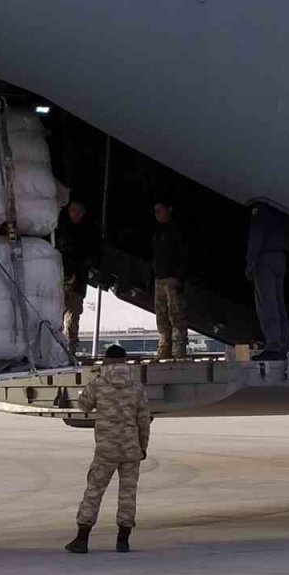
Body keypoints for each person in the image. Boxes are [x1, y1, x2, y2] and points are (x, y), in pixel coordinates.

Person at [66, 345, 151, 555]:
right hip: (131, 448)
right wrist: (142, 447)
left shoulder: (98, 383)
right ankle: (123, 541)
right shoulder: (136, 387)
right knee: (128, 494)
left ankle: (82, 539)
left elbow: (84, 406)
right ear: (124, 361)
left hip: (106, 449)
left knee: (94, 491)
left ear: (107, 361)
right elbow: (144, 420)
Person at [245, 202, 289, 361]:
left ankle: (273, 345)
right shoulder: (282, 207)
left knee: (267, 304)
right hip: (280, 256)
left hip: (265, 258)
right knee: (279, 303)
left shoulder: (261, 209)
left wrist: (251, 262)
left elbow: (257, 235)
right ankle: (283, 342)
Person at [55, 200, 100, 353]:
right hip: (60, 280)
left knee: (72, 319)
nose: (76, 214)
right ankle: (57, 349)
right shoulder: (61, 229)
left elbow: (93, 256)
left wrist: (78, 269)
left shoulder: (88, 233)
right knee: (56, 317)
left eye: (79, 211)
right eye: (73, 210)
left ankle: (70, 350)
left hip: (77, 282)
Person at [151, 201, 188, 360]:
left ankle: (179, 350)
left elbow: (184, 256)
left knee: (176, 315)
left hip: (172, 279)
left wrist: (179, 277)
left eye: (160, 210)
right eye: (155, 210)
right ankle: (164, 349)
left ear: (169, 209)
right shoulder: (157, 232)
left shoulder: (177, 231)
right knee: (161, 316)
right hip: (160, 278)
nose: (157, 213)